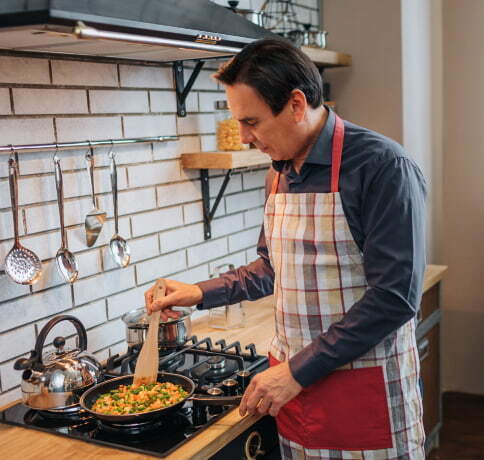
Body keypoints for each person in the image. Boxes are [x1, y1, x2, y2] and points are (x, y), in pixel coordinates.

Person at [145, 38, 427, 459]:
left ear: (296, 104)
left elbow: (394, 297)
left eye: (252, 121)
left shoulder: (382, 166)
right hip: (297, 394)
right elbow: (272, 268)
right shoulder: (277, 172)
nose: (243, 138)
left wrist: (297, 371)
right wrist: (198, 293)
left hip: (364, 397)